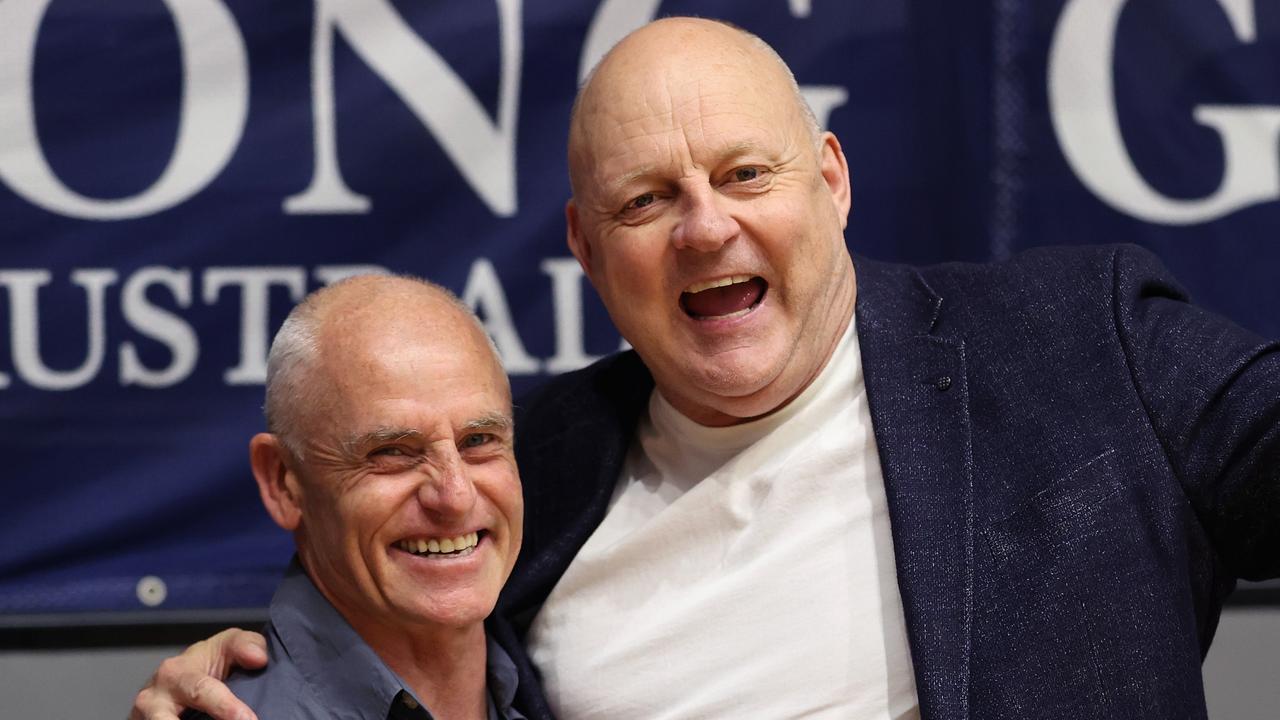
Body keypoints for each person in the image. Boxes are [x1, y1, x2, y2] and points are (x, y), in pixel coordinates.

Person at [133, 17, 1279, 720]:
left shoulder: (1078, 342)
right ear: (585, 250)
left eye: (743, 174)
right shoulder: (534, 467)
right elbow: (374, 602)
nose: (702, 227)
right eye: (645, 200)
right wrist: (233, 685)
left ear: (826, 181)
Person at [175, 275, 526, 719]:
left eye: (478, 440)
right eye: (392, 452)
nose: (455, 497)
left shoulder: (560, 680)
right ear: (283, 481)